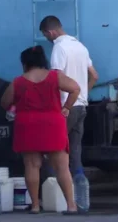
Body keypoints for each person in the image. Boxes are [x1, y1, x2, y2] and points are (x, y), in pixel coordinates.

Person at [1, 46, 80, 214]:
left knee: (31, 165)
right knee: (62, 167)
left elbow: (4, 103)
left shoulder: (18, 81)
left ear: (25, 63)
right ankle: (71, 205)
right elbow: (75, 88)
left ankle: (36, 205)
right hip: (53, 122)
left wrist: (16, 104)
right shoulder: (55, 76)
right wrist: (66, 107)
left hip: (27, 124)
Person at [39, 16, 98, 175]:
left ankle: (52, 190)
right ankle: (79, 189)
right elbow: (94, 75)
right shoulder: (80, 46)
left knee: (53, 148)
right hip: (80, 106)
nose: (47, 39)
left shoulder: (59, 48)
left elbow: (56, 78)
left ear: (50, 32)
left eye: (45, 35)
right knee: (75, 151)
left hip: (65, 107)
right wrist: (83, 94)